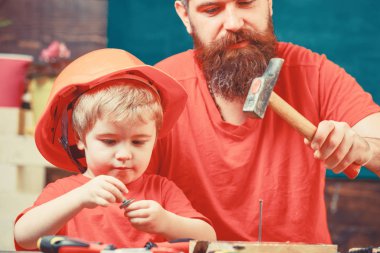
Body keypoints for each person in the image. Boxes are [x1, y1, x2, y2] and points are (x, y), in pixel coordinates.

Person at [146, 0, 380, 244]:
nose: (234, 23)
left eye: (246, 3)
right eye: (212, 9)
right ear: (185, 16)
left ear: (268, 3)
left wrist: (365, 149)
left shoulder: (314, 73)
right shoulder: (160, 92)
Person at [13, 48, 216, 250]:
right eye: (109, 141)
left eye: (138, 142)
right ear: (80, 138)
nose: (124, 155)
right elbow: (23, 236)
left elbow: (209, 238)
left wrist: (167, 222)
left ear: (154, 140)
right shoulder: (65, 192)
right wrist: (79, 198)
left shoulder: (162, 190)